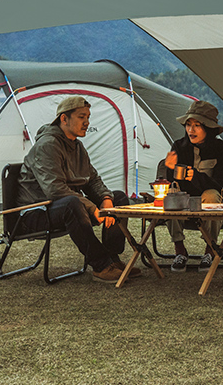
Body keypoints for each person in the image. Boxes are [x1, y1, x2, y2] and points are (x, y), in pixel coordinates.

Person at [15, 96, 139, 284]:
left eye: (88, 117)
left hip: (65, 207)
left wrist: (106, 199)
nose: (87, 122)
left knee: (118, 198)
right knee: (71, 204)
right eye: (82, 117)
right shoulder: (47, 145)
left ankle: (112, 259)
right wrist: (92, 208)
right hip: (36, 212)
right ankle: (101, 264)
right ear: (64, 119)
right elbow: (55, 190)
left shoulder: (77, 146)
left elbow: (92, 179)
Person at [159, 100, 223, 272]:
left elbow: (221, 183)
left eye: (197, 125)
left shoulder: (222, 149)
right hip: (184, 197)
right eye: (188, 125)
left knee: (213, 195)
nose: (191, 130)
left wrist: (196, 177)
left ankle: (210, 249)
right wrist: (169, 168)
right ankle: (180, 250)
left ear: (208, 127)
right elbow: (172, 181)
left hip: (208, 196)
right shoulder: (179, 146)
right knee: (171, 194)